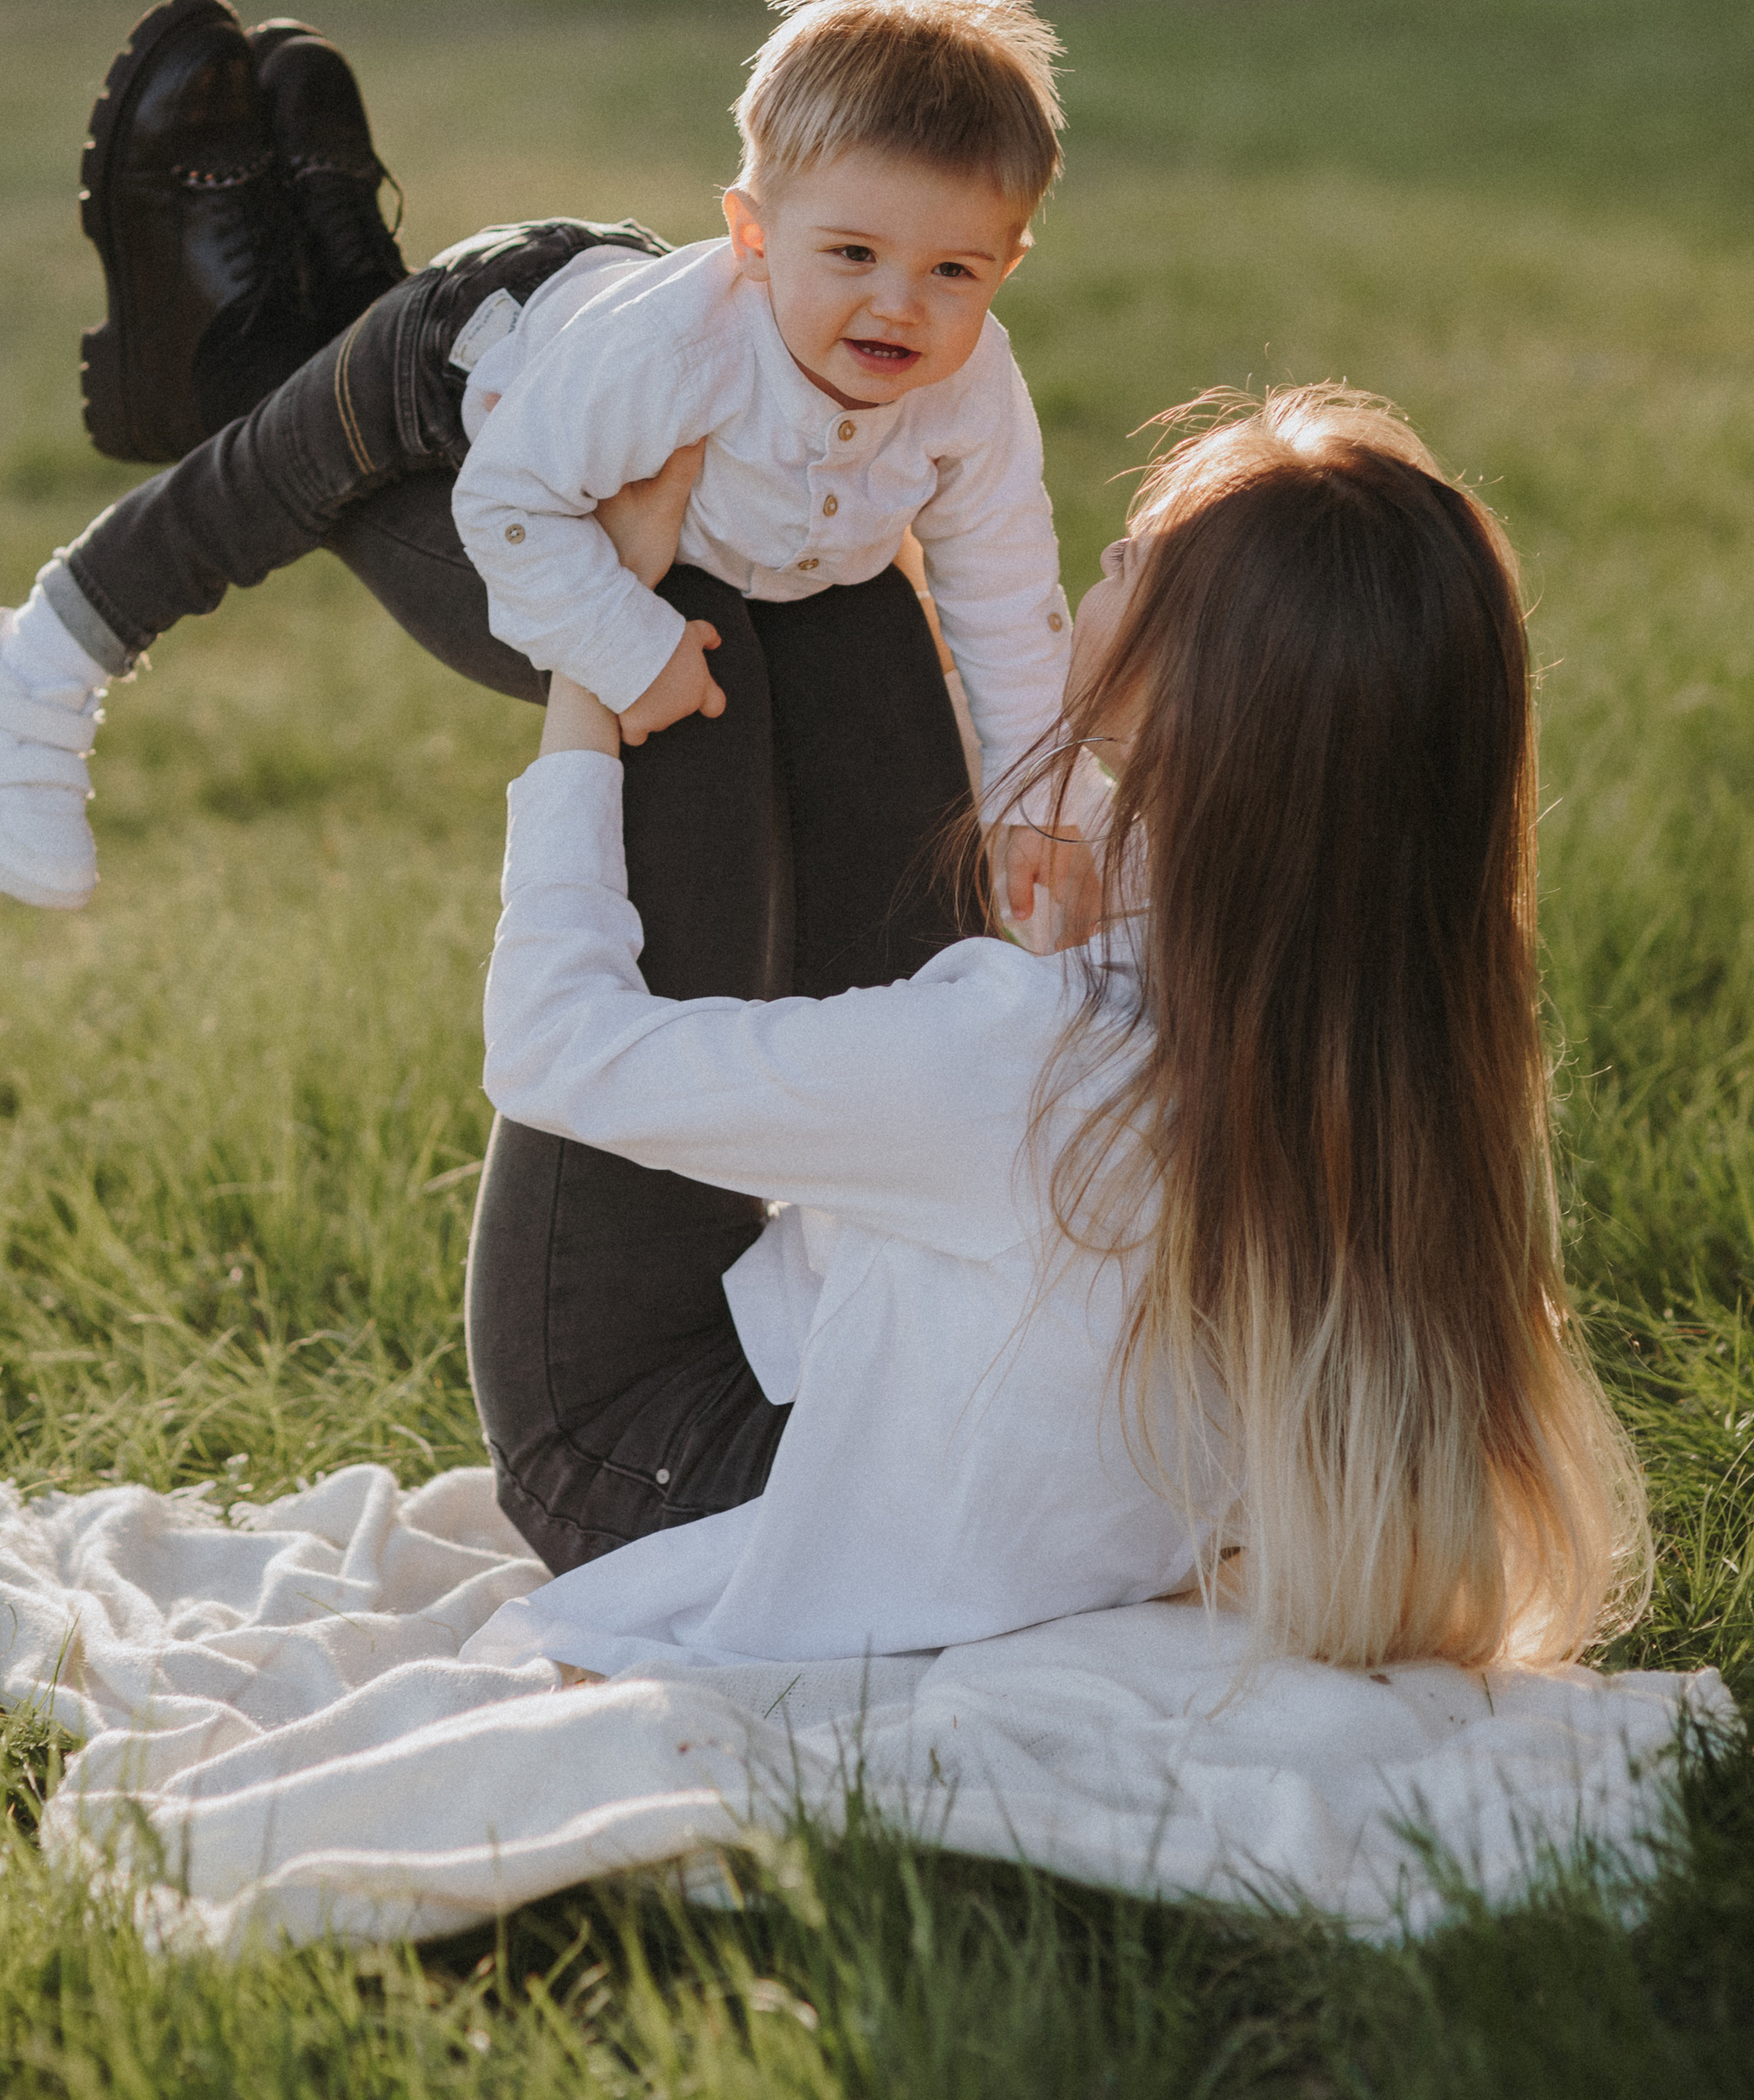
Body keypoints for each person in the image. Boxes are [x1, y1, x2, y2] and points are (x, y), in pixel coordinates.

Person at [459, 386, 1650, 1676]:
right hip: (910, 1410)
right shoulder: (1389, 1072)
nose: (1104, 558)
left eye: (1139, 560)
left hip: (629, 1443)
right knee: (846, 599)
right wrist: (1087, 937)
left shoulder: (1027, 1061)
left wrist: (588, 655)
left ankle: (391, 403)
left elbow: (550, 1045)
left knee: (691, 611)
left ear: (1200, 699)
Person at [0, 0, 1080, 952]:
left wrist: (1040, 797)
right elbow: (507, 507)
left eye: (953, 271)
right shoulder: (681, 356)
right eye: (854, 255)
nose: (898, 306)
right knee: (271, 476)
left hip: (579, 350)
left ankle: (315, 255)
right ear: (754, 234)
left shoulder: (971, 386)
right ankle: (23, 679)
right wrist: (627, 645)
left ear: (1008, 264)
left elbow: (1005, 584)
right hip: (465, 348)